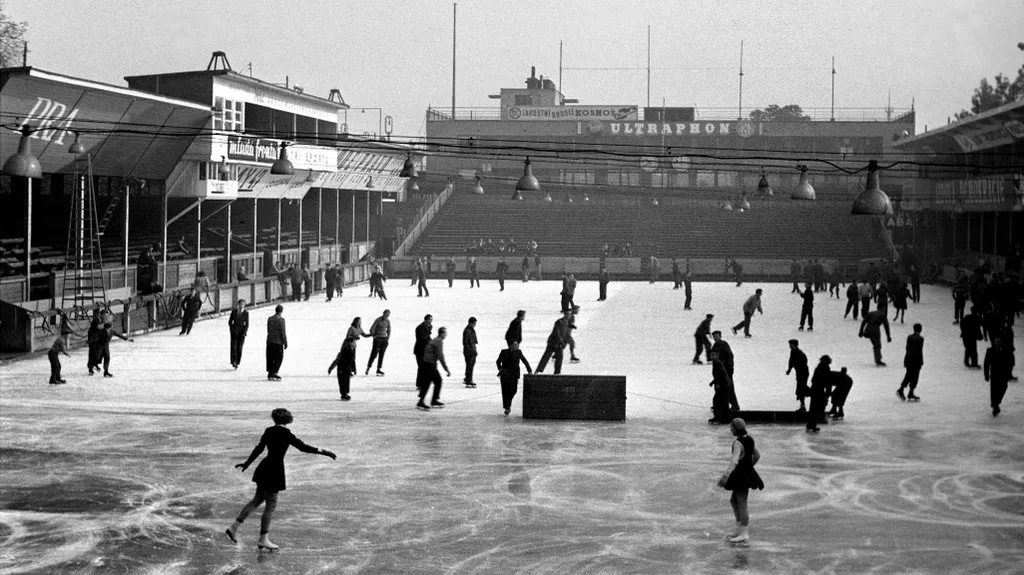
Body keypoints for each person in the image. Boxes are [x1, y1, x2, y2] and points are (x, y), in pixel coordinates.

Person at [225, 408, 336, 551]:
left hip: (264, 468)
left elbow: (259, 448)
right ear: (288, 419)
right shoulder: (286, 433)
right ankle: (263, 539)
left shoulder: (269, 431)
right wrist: (324, 452)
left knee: (256, 500)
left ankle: (233, 528)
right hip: (274, 471)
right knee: (270, 507)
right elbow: (303, 447)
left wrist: (247, 463)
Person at [716, 418, 763, 544]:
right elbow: (757, 455)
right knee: (734, 500)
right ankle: (739, 529)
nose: (730, 429)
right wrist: (750, 468)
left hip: (741, 476)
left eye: (731, 427)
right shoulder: (750, 439)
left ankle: (744, 533)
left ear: (736, 428)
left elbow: (735, 461)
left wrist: (725, 477)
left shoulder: (737, 443)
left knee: (742, 503)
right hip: (745, 474)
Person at [418, 327, 451, 410]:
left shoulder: (435, 340)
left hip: (427, 363)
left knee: (434, 381)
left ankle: (430, 400)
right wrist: (446, 369)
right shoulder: (438, 342)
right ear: (441, 333)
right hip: (430, 364)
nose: (446, 335)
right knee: (432, 382)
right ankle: (427, 400)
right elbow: (440, 356)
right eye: (445, 333)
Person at [496, 340, 533, 415]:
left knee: (513, 390)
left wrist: (529, 370)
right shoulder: (504, 352)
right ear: (510, 346)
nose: (517, 346)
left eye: (517, 344)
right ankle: (507, 407)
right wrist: (500, 369)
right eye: (515, 344)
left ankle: (507, 405)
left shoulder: (518, 352)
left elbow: (524, 361)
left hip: (514, 374)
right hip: (505, 375)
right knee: (505, 391)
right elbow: (498, 361)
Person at [984, 336, 1013, 416]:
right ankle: (995, 406)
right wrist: (986, 374)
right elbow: (986, 363)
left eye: (998, 341)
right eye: (996, 341)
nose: (997, 343)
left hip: (1003, 375)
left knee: (1003, 388)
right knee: (993, 391)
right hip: (994, 375)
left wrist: (1009, 373)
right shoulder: (990, 351)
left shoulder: (1006, 351)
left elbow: (1010, 362)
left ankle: (996, 402)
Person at [711, 331, 740, 411]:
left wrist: (730, 368)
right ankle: (719, 404)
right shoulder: (715, 346)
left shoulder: (724, 345)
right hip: (719, 371)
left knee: (728, 388)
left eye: (717, 336)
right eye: (714, 336)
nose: (715, 338)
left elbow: (730, 356)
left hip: (726, 370)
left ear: (720, 336)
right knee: (719, 388)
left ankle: (734, 405)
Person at [898, 323, 923, 402]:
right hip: (916, 360)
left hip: (908, 359)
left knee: (909, 375)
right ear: (920, 330)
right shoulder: (920, 339)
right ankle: (904, 390)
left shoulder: (909, 337)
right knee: (914, 376)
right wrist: (921, 362)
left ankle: (905, 391)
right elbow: (919, 351)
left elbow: (908, 348)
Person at [807, 355, 833, 432]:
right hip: (819, 390)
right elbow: (828, 380)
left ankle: (810, 424)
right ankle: (813, 424)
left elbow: (813, 379)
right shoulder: (825, 368)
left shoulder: (818, 367)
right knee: (817, 408)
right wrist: (828, 392)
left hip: (814, 389)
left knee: (813, 408)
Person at [708, 351, 734, 425]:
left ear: (717, 356)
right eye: (711, 355)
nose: (712, 356)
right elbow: (718, 375)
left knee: (717, 401)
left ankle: (720, 417)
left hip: (723, 385)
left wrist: (718, 383)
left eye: (713, 355)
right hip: (723, 384)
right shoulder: (716, 363)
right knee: (722, 401)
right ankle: (724, 418)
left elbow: (722, 374)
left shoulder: (717, 363)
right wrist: (713, 382)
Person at [365, 310, 391, 376]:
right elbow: (371, 329)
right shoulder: (378, 320)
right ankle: (368, 367)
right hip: (378, 339)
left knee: (381, 354)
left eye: (388, 315)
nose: (387, 316)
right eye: (386, 314)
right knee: (374, 353)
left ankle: (379, 369)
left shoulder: (388, 321)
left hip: (384, 339)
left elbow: (389, 330)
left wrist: (387, 338)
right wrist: (374, 335)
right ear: (383, 314)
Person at [786, 339, 810, 412]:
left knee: (801, 389)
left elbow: (804, 362)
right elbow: (791, 361)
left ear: (795, 345)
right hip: (799, 373)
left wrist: (799, 370)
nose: (790, 346)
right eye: (789, 345)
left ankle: (816, 395)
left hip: (803, 373)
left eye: (791, 345)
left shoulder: (800, 354)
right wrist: (789, 369)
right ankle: (803, 405)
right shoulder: (793, 352)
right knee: (801, 389)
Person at [266, 305, 287, 381]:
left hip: (270, 340)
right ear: (281, 311)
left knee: (270, 357)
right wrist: (285, 342)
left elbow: (268, 329)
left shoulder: (270, 319)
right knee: (279, 357)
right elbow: (283, 332)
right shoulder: (281, 320)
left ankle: (270, 372)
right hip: (278, 341)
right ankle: (274, 371)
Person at [229, 298, 250, 369]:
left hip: (241, 333)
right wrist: (232, 330)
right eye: (241, 304)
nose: (242, 306)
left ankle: (237, 361)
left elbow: (247, 324)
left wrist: (244, 332)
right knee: (233, 347)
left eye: (243, 305)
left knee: (239, 348)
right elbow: (230, 322)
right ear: (238, 305)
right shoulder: (234, 312)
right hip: (234, 332)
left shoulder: (246, 313)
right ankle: (233, 361)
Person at [414, 314, 434, 387]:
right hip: (419, 350)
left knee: (424, 367)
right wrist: (429, 331)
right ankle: (419, 383)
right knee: (421, 367)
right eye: (429, 320)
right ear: (425, 320)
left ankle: (422, 382)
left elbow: (428, 338)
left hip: (425, 351)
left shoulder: (428, 327)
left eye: (431, 320)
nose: (430, 322)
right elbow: (423, 338)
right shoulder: (420, 328)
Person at [462, 317, 479, 387]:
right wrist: (471, 350)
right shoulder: (467, 331)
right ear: (471, 323)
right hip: (469, 351)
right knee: (470, 365)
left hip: (471, 349)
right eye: (474, 323)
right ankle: (469, 380)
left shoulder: (470, 330)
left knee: (470, 365)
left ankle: (467, 378)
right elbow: (465, 342)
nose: (475, 325)